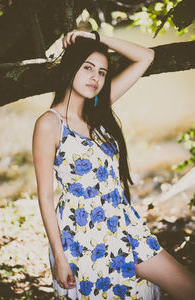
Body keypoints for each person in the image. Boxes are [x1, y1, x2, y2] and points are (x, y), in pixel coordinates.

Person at [32, 30, 195, 300]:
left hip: (126, 225)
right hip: (84, 237)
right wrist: (59, 257)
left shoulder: (98, 111)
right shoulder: (49, 124)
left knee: (187, 287)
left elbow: (146, 56)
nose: (95, 77)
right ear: (71, 68)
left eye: (102, 72)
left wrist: (96, 36)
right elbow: (46, 196)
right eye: (87, 68)